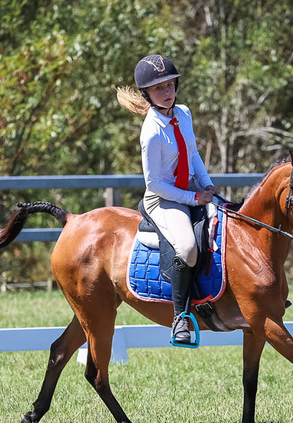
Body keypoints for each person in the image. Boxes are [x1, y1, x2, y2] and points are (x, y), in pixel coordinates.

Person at [117, 54, 216, 345]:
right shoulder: (151, 132)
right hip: (163, 200)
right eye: (159, 88)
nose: (167, 92)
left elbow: (194, 153)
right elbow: (155, 184)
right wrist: (194, 197)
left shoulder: (183, 113)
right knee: (186, 247)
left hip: (192, 191)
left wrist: (208, 184)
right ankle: (180, 319)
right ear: (147, 94)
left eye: (170, 84)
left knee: (226, 226)